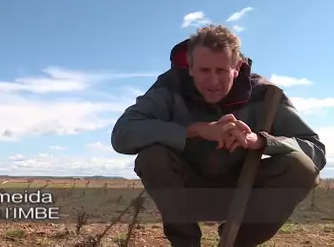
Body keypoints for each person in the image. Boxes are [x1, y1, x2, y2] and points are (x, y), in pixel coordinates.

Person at [111, 24, 325, 247]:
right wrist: (196, 130)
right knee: (152, 156)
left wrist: (260, 141)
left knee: (301, 167)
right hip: (186, 192)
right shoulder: (169, 87)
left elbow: (316, 149)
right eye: (204, 71)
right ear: (190, 68)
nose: (213, 81)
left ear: (236, 67)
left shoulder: (265, 94)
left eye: (221, 71)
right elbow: (122, 134)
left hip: (243, 192)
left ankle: (237, 242)